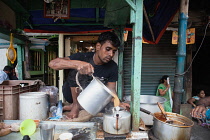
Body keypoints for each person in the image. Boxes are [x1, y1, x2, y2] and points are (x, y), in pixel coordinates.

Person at [49, 31, 129, 119]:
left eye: (114, 51)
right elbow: (53, 64)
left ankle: (74, 107)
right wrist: (76, 64)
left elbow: (111, 90)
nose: (111, 54)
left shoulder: (113, 66)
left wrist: (118, 103)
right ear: (98, 46)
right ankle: (75, 105)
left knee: (103, 106)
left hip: (91, 98)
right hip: (71, 94)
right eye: (108, 49)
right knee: (75, 71)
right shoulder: (82, 57)